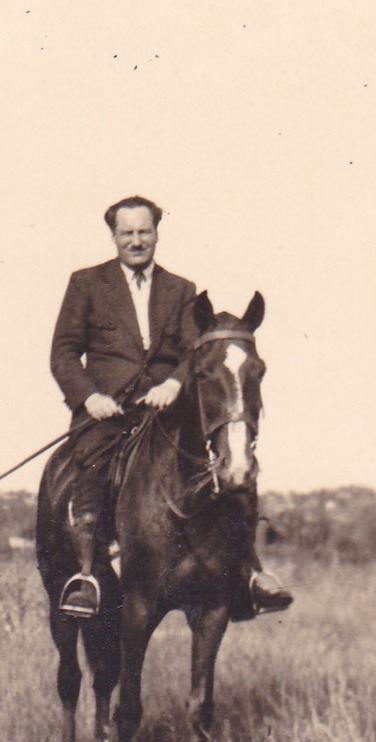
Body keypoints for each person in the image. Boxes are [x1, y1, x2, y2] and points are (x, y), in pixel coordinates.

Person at [48, 195, 291, 619]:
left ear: (157, 234)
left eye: (144, 232)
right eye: (127, 233)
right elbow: (64, 354)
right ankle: (87, 575)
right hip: (107, 409)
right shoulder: (86, 283)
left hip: (165, 405)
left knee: (227, 458)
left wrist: (175, 383)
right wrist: (90, 397)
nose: (136, 241)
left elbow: (193, 351)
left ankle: (250, 571)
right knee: (92, 464)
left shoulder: (182, 290)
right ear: (114, 236)